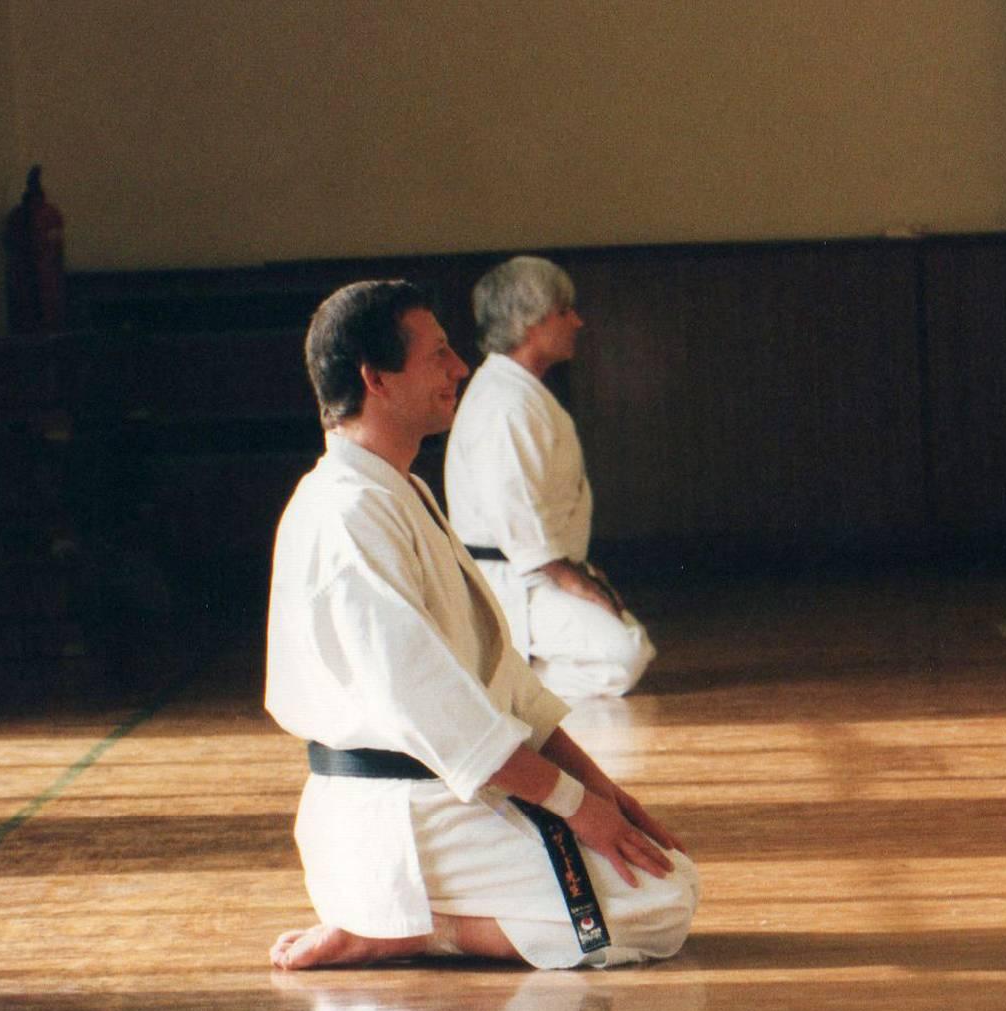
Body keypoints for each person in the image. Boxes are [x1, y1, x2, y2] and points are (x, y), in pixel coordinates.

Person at [264, 280, 697, 971]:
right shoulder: (345, 513)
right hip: (394, 814)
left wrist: (604, 793)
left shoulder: (399, 490)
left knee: (666, 876)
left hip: (438, 795)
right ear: (376, 379)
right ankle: (402, 927)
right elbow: (432, 706)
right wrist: (574, 806)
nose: (459, 368)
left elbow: (507, 686)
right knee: (656, 908)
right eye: (437, 355)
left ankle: (405, 917)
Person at [444, 256, 655, 699]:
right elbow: (512, 507)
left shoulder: (518, 392)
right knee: (624, 655)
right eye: (565, 311)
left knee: (629, 642)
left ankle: (512, 678)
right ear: (529, 322)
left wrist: (579, 574)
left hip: (534, 572)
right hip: (513, 580)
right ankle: (510, 690)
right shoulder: (505, 403)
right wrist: (569, 578)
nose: (577, 321)